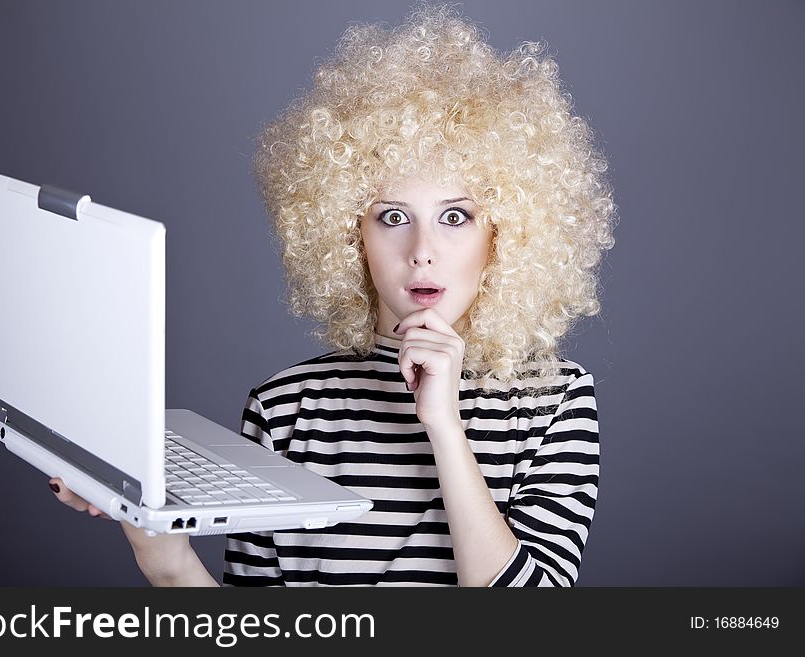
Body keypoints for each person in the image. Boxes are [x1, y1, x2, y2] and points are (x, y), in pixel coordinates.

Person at [51, 1, 617, 587]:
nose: (422, 249)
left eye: (455, 217)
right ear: (350, 235)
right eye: (393, 216)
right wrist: (162, 557)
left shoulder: (551, 401)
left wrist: (444, 427)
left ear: (502, 234)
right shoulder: (285, 408)